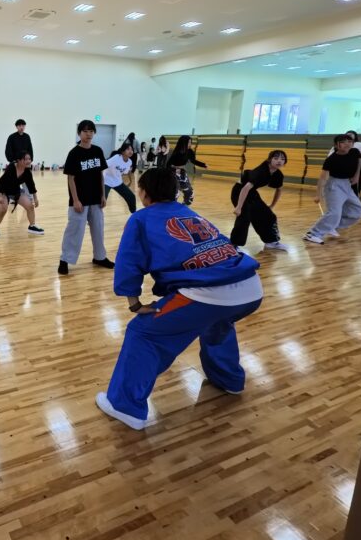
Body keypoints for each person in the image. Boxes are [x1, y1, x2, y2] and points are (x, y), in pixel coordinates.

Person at [95, 167, 263, 430]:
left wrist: (135, 304)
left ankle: (124, 406)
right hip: (251, 288)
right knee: (217, 321)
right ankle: (229, 379)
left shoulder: (141, 219)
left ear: (143, 193)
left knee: (143, 332)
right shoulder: (190, 212)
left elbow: (128, 263)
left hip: (207, 292)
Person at [58, 120, 113, 275]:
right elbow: (71, 178)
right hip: (80, 200)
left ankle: (100, 257)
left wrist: (103, 195)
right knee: (74, 231)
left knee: (98, 229)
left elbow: (101, 175)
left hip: (96, 198)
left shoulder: (97, 151)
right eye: (85, 131)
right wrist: (75, 200)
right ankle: (65, 259)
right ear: (79, 133)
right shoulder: (74, 153)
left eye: (91, 131)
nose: (88, 134)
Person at [304, 134, 361, 245]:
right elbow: (322, 178)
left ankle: (331, 225)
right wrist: (318, 194)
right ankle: (313, 234)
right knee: (334, 212)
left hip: (347, 184)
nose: (347, 144)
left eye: (349, 141)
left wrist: (357, 175)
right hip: (334, 185)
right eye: (343, 142)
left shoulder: (354, 152)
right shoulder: (331, 159)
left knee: (358, 210)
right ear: (336, 145)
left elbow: (360, 160)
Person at [230, 150, 288, 251]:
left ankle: (271, 242)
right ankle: (234, 245)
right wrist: (239, 207)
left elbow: (279, 190)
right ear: (269, 160)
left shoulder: (278, 174)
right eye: (276, 158)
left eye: (282, 159)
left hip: (252, 192)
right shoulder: (261, 171)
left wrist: (272, 205)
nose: (279, 161)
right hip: (239, 190)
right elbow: (245, 188)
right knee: (244, 216)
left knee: (269, 215)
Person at [0, 152, 43, 238]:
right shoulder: (12, 167)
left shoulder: (27, 172)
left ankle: (32, 226)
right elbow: (1, 182)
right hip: (3, 190)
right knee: (3, 210)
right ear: (19, 160)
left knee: (30, 205)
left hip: (15, 191)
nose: (29, 161)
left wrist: (35, 198)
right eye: (26, 159)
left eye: (29, 159)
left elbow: (31, 186)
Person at [167, 135, 207, 205]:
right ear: (184, 143)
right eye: (189, 142)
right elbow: (168, 163)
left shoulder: (190, 152)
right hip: (173, 172)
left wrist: (203, 165)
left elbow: (193, 161)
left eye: (191, 142)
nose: (190, 144)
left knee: (189, 192)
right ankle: (171, 206)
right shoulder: (176, 152)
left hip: (182, 172)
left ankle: (185, 205)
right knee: (175, 192)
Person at [104, 142, 137, 213]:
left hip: (117, 182)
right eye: (128, 149)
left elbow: (127, 172)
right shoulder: (116, 157)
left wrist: (130, 180)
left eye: (131, 149)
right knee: (102, 200)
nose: (130, 151)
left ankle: (134, 214)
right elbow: (103, 164)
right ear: (122, 151)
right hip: (106, 181)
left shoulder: (130, 162)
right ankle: (95, 216)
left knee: (131, 197)